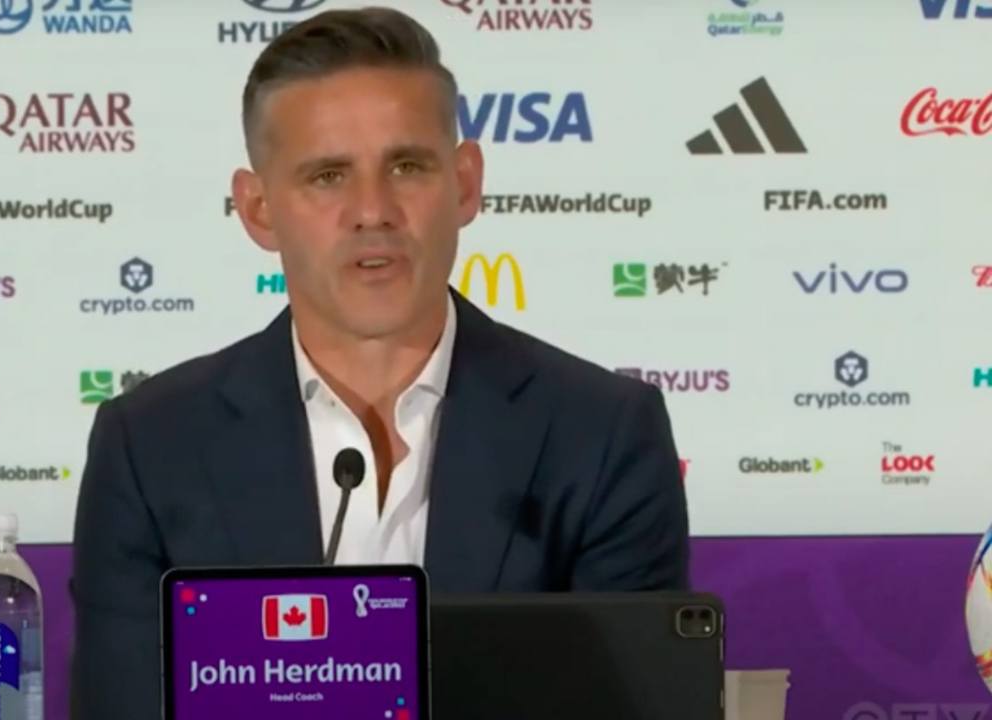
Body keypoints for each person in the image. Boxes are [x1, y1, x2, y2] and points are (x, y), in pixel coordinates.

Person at [69, 7, 689, 717]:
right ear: (258, 209)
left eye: (406, 166)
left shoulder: (602, 434)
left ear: (465, 184)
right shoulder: (151, 446)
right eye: (328, 175)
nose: (373, 210)